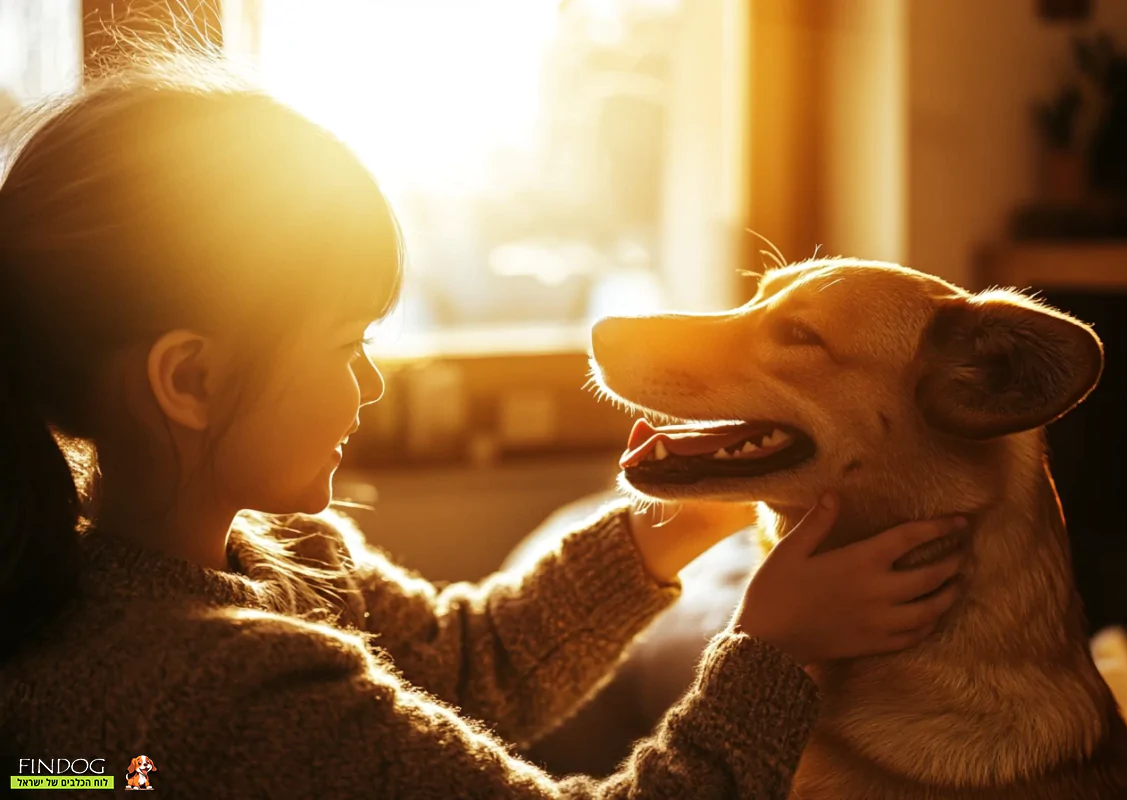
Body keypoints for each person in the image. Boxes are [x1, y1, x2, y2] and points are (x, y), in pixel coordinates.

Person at [0, 51, 966, 798]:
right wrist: (773, 650)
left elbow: (477, 662)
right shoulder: (228, 691)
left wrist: (685, 514)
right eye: (344, 345)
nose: (370, 384)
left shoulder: (268, 560)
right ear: (192, 378)